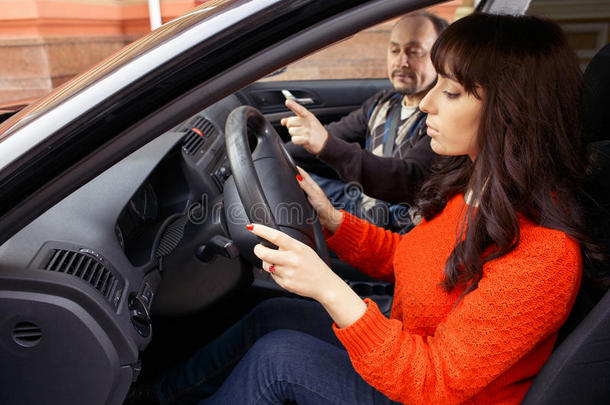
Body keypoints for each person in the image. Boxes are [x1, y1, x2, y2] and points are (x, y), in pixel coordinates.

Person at [155, 13, 600, 404]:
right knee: (273, 315)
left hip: (432, 392)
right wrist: (332, 221)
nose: (426, 102)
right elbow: (409, 260)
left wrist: (329, 289)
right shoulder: (474, 184)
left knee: (279, 360)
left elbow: (435, 383)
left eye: (451, 92)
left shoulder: (544, 256)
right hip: (409, 345)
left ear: (511, 111)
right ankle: (159, 395)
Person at [284, 12, 447, 231]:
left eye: (415, 52)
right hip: (363, 205)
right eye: (395, 50)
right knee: (292, 177)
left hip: (399, 230)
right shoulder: (383, 103)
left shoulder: (441, 116)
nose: (402, 61)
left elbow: (408, 178)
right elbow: (334, 134)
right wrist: (274, 152)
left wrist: (326, 145)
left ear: (440, 58)